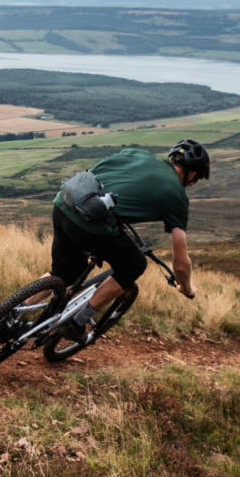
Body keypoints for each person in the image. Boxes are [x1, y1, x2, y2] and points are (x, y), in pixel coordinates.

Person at [50, 139, 205, 340]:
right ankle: (76, 323)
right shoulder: (178, 197)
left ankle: (14, 313)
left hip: (63, 203)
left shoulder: (137, 153)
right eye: (196, 179)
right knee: (134, 264)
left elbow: (98, 175)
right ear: (192, 174)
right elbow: (182, 266)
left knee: (63, 274)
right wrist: (186, 288)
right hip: (89, 226)